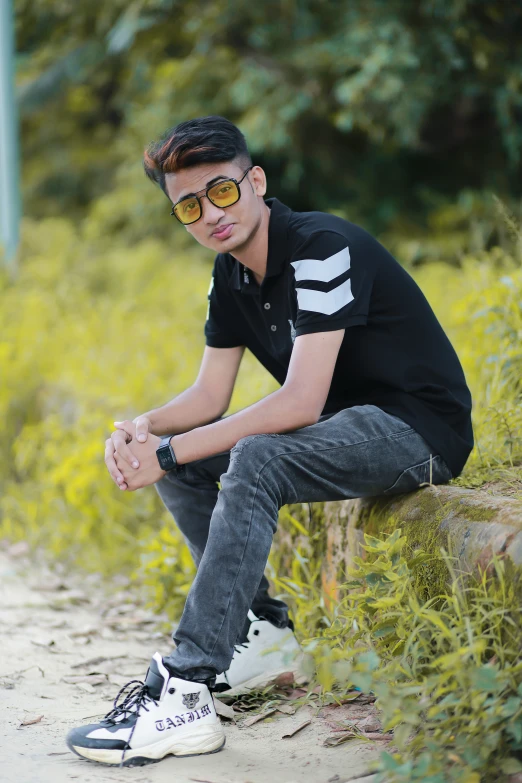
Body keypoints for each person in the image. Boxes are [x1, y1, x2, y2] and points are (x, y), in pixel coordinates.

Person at [66, 115, 473, 766]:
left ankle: (187, 687)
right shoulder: (230, 276)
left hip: (415, 428)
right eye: (189, 206)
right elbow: (207, 398)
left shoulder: (319, 246)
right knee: (194, 463)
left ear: (254, 181)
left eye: (222, 191)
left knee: (248, 455)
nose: (210, 215)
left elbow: (300, 400)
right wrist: (142, 429)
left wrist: (169, 451)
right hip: (338, 430)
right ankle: (262, 636)